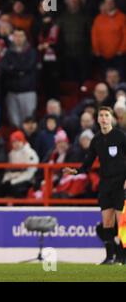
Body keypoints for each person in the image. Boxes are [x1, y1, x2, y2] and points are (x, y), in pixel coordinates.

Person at [64, 107, 126, 264]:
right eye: (101, 115)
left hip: (121, 184)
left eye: (106, 115)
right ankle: (109, 257)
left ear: (111, 118)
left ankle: (123, 257)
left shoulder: (120, 136)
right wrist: (76, 171)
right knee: (107, 222)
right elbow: (88, 162)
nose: (104, 118)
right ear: (97, 120)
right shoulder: (96, 140)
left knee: (122, 222)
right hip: (105, 184)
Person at [0, 130, 39, 198]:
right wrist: (6, 179)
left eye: (18, 141)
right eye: (13, 142)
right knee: (0, 189)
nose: (16, 144)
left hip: (27, 180)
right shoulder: (11, 154)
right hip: (13, 179)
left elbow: (30, 172)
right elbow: (8, 170)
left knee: (15, 190)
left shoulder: (30, 153)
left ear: (22, 141)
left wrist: (14, 181)